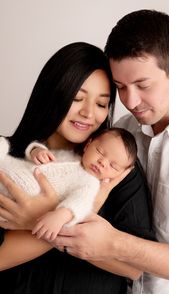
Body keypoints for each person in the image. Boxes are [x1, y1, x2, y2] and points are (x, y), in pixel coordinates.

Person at [45, 9, 169, 294]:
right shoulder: (122, 132)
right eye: (120, 87)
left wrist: (114, 243)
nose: (130, 101)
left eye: (142, 85)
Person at [0, 41, 155, 294]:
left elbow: (134, 268)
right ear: (53, 94)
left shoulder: (115, 169)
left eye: (101, 104)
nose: (88, 113)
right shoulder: (10, 156)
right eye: (77, 98)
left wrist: (46, 220)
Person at [0, 127, 138, 241]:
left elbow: (80, 203)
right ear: (88, 145)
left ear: (118, 175)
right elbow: (43, 154)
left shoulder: (89, 184)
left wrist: (60, 216)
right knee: (6, 153)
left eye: (113, 166)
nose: (102, 162)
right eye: (100, 152)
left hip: (27, 192)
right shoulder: (70, 155)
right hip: (22, 170)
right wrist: (36, 151)